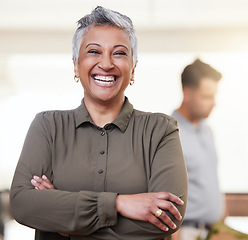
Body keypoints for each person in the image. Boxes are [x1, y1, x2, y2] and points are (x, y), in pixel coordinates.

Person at [10, 6, 187, 240]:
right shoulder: (47, 126)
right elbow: (23, 204)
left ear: (133, 68)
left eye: (119, 53)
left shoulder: (160, 130)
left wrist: (66, 222)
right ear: (76, 64)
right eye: (94, 51)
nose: (106, 63)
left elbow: (167, 218)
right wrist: (119, 204)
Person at [171, 59, 223, 240]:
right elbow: (166, 193)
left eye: (214, 96)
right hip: (186, 232)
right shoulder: (170, 134)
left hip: (212, 232)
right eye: (207, 96)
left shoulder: (208, 131)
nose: (214, 103)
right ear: (187, 93)